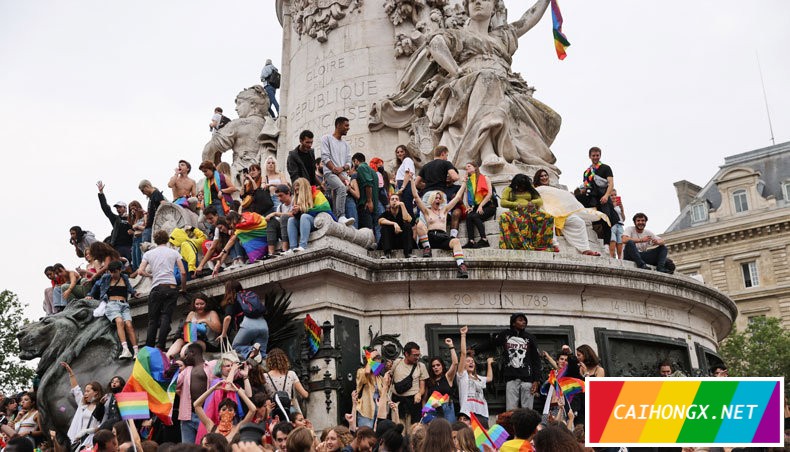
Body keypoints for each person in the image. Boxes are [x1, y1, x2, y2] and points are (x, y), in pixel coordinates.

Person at [370, 0, 560, 173]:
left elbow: (528, 19)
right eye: (472, 0)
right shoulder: (459, 35)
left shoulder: (502, 36)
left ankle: (519, 158)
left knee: (552, 119)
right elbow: (435, 44)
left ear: (494, 7)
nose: (478, 2)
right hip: (465, 87)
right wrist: (455, 71)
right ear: (467, 8)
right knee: (487, 80)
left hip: (507, 89)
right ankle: (485, 151)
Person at [132, 230, 187, 350]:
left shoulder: (148, 254)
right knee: (166, 317)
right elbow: (183, 272)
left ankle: (149, 347)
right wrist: (183, 288)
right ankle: (161, 346)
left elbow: (140, 271)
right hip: (171, 287)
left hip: (157, 287)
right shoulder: (174, 253)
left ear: (155, 241)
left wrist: (150, 275)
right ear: (167, 239)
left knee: (153, 320)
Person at [532, 169, 604, 256]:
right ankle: (553, 245)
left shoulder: (554, 190)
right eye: (541, 176)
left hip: (560, 213)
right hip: (547, 213)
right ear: (538, 178)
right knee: (549, 219)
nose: (544, 177)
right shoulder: (536, 190)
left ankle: (585, 249)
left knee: (579, 222)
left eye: (545, 175)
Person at [410, 177, 469, 278]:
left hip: (442, 237)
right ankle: (427, 248)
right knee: (419, 223)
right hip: (430, 237)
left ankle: (461, 266)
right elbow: (416, 196)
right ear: (432, 200)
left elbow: (457, 197)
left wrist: (464, 183)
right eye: (436, 198)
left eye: (439, 198)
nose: (438, 200)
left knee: (456, 241)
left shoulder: (444, 210)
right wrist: (412, 181)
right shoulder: (426, 211)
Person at [89, 260, 139, 359]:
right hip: (111, 304)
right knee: (119, 321)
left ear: (120, 270)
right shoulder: (106, 278)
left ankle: (136, 352)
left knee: (129, 325)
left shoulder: (124, 277)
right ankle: (125, 350)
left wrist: (134, 293)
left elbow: (129, 287)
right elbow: (96, 285)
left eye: (114, 271)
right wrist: (90, 295)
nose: (112, 274)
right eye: (110, 271)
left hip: (124, 304)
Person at [495, 313, 542, 410]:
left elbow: (536, 360)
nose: (523, 322)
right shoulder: (505, 335)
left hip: (527, 380)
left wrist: (536, 381)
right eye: (520, 320)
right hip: (511, 379)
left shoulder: (530, 338)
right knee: (511, 411)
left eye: (524, 320)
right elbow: (491, 343)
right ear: (513, 323)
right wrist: (476, 350)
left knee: (528, 411)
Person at [498, 174, 555, 251]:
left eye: (523, 186)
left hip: (530, 211)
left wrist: (532, 202)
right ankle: (514, 244)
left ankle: (541, 243)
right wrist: (515, 204)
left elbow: (540, 200)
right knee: (503, 216)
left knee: (549, 217)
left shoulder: (530, 189)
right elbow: (503, 202)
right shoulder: (508, 189)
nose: (521, 188)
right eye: (520, 186)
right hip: (516, 212)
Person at [414, 146, 462, 237]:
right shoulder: (446, 163)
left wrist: (427, 185)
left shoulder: (426, 166)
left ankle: (423, 243)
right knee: (439, 217)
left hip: (427, 195)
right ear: (443, 153)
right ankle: (440, 237)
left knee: (424, 218)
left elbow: (416, 183)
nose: (447, 157)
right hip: (439, 194)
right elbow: (455, 177)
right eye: (446, 155)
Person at [219, 280, 268, 362]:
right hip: (263, 325)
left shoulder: (233, 301)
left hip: (248, 326)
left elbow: (227, 318)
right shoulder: (249, 297)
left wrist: (223, 334)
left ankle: (252, 350)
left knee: (237, 346)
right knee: (262, 354)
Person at [61, 362, 105, 451]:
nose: (85, 393)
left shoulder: (101, 406)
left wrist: (85, 431)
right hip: (77, 440)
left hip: (91, 440)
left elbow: (102, 425)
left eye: (88, 391)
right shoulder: (83, 405)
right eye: (85, 391)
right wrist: (71, 374)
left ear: (96, 392)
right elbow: (76, 389)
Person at [176, 343, 215, 444]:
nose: (185, 358)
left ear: (192, 353)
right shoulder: (187, 370)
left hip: (205, 417)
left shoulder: (212, 365)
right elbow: (174, 384)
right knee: (186, 449)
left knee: (205, 447)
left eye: (186, 355)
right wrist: (173, 369)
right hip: (187, 416)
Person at [580, 147, 617, 248]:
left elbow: (611, 183)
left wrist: (606, 195)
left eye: (597, 155)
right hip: (591, 197)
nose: (595, 157)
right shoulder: (586, 172)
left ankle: (606, 244)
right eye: (593, 156)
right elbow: (585, 185)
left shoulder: (606, 168)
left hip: (603, 196)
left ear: (600, 156)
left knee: (606, 218)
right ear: (589, 156)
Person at [321, 117, 355, 226]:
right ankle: (341, 216)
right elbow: (325, 158)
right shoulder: (326, 138)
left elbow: (349, 163)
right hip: (330, 174)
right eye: (346, 125)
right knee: (341, 188)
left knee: (338, 195)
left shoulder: (346, 145)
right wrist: (337, 171)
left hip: (342, 175)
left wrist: (342, 169)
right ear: (338, 125)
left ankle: (337, 219)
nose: (348, 128)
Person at [457, 326, 493, 428]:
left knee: (482, 441)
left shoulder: (478, 378)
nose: (471, 362)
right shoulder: (462, 376)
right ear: (463, 364)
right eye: (468, 361)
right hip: (468, 414)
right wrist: (463, 335)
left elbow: (489, 378)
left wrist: (489, 364)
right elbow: (463, 354)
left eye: (472, 361)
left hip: (483, 413)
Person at [166, 293, 222, 359]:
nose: (199, 306)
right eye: (197, 304)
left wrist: (206, 321)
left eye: (202, 304)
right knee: (179, 341)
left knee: (187, 348)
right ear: (194, 305)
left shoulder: (212, 313)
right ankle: (167, 358)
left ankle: (182, 356)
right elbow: (186, 331)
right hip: (192, 339)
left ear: (206, 304)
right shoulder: (191, 314)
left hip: (208, 343)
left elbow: (218, 329)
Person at [285, 178, 333, 253]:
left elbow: (325, 208)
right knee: (291, 220)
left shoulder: (316, 193)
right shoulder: (298, 198)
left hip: (317, 221)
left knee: (305, 217)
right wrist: (296, 213)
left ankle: (303, 246)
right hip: (306, 223)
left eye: (298, 190)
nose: (297, 193)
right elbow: (299, 217)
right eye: (295, 190)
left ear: (303, 188)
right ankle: (292, 248)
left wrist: (303, 209)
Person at [263, 349, 309, 421]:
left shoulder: (265, 376)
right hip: (289, 409)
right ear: (284, 359)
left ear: (269, 361)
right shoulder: (291, 374)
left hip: (273, 410)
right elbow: (305, 394)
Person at [389, 341, 429, 426]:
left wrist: (419, 394)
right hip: (397, 403)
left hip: (413, 403)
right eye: (415, 355)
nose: (417, 357)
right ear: (406, 354)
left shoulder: (421, 366)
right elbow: (389, 379)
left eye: (418, 355)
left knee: (413, 432)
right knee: (398, 431)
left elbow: (423, 388)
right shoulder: (397, 362)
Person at [96, 182, 134, 261]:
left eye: (120, 207)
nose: (118, 209)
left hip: (129, 246)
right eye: (117, 208)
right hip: (117, 247)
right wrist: (101, 193)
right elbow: (106, 209)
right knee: (118, 266)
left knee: (129, 266)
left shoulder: (132, 218)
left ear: (125, 208)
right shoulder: (116, 219)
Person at [462, 162, 496, 248]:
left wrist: (481, 206)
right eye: (466, 168)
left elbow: (489, 194)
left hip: (488, 205)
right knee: (469, 217)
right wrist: (469, 206)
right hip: (477, 206)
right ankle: (471, 241)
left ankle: (484, 240)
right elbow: (467, 194)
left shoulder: (485, 178)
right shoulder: (469, 181)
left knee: (475, 216)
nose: (467, 169)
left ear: (475, 167)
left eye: (469, 166)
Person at [426, 338, 459, 422]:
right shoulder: (430, 381)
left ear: (442, 366)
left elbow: (455, 363)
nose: (436, 367)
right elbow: (425, 399)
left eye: (438, 365)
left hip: (446, 407)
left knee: (448, 432)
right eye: (433, 366)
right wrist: (425, 412)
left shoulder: (447, 377)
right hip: (432, 409)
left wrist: (451, 346)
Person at [355, 348, 387, 428]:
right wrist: (370, 357)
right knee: (366, 435)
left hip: (378, 412)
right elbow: (367, 372)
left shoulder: (379, 378)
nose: (378, 366)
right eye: (375, 363)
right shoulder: (361, 371)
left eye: (379, 363)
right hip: (366, 412)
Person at [377, 193, 413, 259]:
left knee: (407, 225)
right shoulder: (387, 213)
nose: (394, 200)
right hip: (390, 242)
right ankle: (387, 253)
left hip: (402, 241)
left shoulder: (402, 211)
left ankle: (408, 253)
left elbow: (408, 219)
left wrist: (402, 205)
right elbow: (380, 221)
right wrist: (394, 224)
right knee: (385, 227)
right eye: (392, 199)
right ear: (389, 202)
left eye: (396, 199)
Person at [352, 153, 379, 230]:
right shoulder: (373, 171)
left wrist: (369, 201)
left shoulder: (361, 168)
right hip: (374, 205)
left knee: (367, 232)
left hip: (366, 205)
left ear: (356, 161)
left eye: (353, 163)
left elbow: (368, 184)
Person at [266, 184, 293, 256]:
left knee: (284, 217)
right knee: (271, 221)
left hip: (293, 229)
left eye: (281, 195)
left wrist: (275, 213)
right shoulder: (280, 207)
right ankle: (271, 253)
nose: (279, 199)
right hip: (284, 232)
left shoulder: (295, 201)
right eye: (277, 196)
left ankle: (285, 249)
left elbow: (294, 214)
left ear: (288, 193)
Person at [393, 145, 417, 218]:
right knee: (404, 208)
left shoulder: (407, 160)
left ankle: (412, 226)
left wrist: (402, 187)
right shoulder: (403, 163)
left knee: (407, 208)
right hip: (403, 186)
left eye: (401, 151)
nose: (400, 153)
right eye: (398, 152)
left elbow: (408, 174)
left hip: (406, 187)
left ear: (406, 152)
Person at [128, 201, 147, 270]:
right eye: (131, 209)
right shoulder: (135, 219)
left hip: (141, 238)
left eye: (134, 208)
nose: (132, 211)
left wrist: (138, 227)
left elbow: (147, 228)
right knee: (134, 259)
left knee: (139, 258)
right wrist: (132, 232)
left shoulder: (145, 215)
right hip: (135, 239)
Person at [609, 188, 625, 259]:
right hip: (612, 225)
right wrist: (613, 206)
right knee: (612, 240)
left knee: (620, 242)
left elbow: (623, 219)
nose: (614, 196)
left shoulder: (619, 205)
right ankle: (611, 257)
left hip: (620, 225)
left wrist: (622, 209)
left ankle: (620, 259)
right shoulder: (608, 204)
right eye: (611, 195)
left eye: (615, 195)